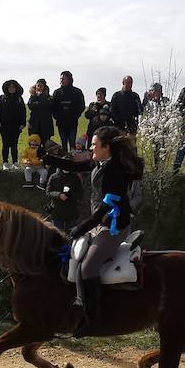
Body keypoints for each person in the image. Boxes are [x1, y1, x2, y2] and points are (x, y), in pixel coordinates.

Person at [41, 126, 145, 336]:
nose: (91, 148)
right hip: (99, 224)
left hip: (113, 227)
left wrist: (80, 228)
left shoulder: (115, 171)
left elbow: (105, 208)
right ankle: (80, 310)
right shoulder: (100, 162)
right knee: (76, 261)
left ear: (107, 147)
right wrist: (48, 158)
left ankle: (96, 321)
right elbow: (73, 165)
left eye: (95, 144)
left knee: (88, 268)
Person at [44, 145, 86, 233]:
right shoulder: (53, 177)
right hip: (57, 212)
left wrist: (69, 195)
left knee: (70, 235)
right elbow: (48, 192)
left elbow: (80, 194)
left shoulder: (75, 178)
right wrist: (59, 195)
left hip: (71, 212)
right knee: (57, 235)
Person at [0, 79, 27, 171]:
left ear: (16, 88)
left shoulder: (19, 99)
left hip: (16, 127)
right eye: (10, 87)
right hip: (4, 126)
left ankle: (15, 162)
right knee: (5, 144)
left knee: (14, 145)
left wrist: (22, 123)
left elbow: (23, 112)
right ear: (6, 88)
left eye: (13, 87)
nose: (11, 88)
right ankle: (5, 163)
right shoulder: (2, 98)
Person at [52, 71, 87, 149]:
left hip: (72, 122)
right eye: (60, 79)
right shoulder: (57, 92)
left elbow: (81, 106)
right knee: (63, 142)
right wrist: (57, 116)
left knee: (72, 142)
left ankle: (72, 159)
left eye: (63, 79)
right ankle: (64, 160)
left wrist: (75, 115)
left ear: (69, 79)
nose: (61, 80)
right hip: (61, 122)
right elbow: (53, 107)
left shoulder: (77, 92)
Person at [27, 79, 56, 145]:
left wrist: (41, 96)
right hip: (34, 126)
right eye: (38, 86)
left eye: (41, 86)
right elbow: (31, 106)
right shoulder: (32, 97)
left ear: (44, 87)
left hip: (46, 126)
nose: (39, 88)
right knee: (35, 145)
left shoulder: (50, 97)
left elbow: (47, 104)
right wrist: (34, 96)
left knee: (46, 145)